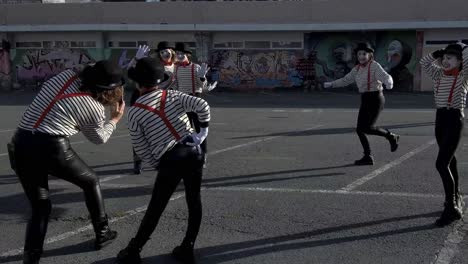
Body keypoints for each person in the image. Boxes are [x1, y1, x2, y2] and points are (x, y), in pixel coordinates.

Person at [7, 60, 125, 263]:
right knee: (90, 181)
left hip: (20, 143)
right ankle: (103, 233)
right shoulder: (93, 106)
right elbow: (99, 138)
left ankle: (31, 256)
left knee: (40, 207)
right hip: (52, 148)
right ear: (109, 91)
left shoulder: (62, 77)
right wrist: (114, 119)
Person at [117, 57, 210, 264]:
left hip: (170, 159)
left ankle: (134, 250)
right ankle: (188, 247)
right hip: (193, 152)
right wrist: (201, 133)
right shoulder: (174, 95)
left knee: (156, 207)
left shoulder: (135, 112)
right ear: (159, 81)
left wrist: (156, 162)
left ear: (138, 83)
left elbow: (140, 148)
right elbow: (202, 104)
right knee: (193, 200)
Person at [324, 42, 399, 165]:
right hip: (365, 98)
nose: (361, 56)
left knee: (368, 128)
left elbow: (385, 76)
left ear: (370, 55)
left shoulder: (374, 66)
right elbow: (346, 80)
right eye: (359, 54)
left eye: (364, 53)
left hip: (376, 98)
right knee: (360, 129)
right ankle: (367, 156)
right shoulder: (357, 69)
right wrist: (332, 84)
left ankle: (391, 136)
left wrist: (389, 82)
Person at [420, 41, 468, 226]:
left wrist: (462, 47)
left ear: (460, 61)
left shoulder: (464, 76)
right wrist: (436, 53)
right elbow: (424, 63)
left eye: (450, 58)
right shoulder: (439, 74)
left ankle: (451, 208)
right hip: (440, 119)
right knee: (450, 161)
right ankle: (455, 197)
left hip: (454, 119)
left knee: (441, 164)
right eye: (444, 58)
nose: (446, 61)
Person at [171, 42, 215, 167]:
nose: (179, 56)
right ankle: (187, 155)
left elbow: (203, 87)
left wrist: (202, 77)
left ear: (187, 55)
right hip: (181, 102)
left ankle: (203, 154)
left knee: (200, 129)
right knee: (184, 130)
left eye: (181, 54)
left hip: (195, 100)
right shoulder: (176, 68)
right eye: (177, 53)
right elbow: (175, 85)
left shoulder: (195, 67)